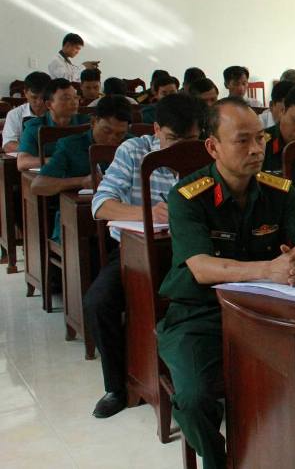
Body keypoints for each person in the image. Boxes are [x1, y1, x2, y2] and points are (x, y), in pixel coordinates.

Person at [157, 97, 295, 469]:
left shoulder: (277, 190)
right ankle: (218, 459)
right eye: (242, 140)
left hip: (267, 313)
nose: (256, 149)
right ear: (213, 147)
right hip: (200, 314)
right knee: (193, 398)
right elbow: (202, 268)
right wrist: (268, 270)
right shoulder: (188, 196)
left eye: (260, 138)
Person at [87, 93, 206, 419]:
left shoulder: (206, 152)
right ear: (156, 129)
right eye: (172, 139)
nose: (181, 149)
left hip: (194, 251)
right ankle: (117, 387)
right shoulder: (133, 150)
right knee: (98, 302)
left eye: (190, 140)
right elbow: (101, 205)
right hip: (135, 253)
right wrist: (148, 213)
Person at [30, 95, 132, 243]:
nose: (112, 138)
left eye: (120, 134)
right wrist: (81, 181)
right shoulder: (70, 145)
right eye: (106, 131)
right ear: (93, 122)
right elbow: (38, 186)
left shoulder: (132, 145)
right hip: (76, 223)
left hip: (121, 219)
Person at [17, 78, 91, 171]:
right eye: (67, 98)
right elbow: (22, 162)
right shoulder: (35, 127)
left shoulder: (87, 123)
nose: (74, 102)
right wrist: (58, 160)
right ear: (49, 104)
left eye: (76, 97)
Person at [2, 71, 50, 153]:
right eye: (34, 97)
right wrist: (37, 149)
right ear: (25, 93)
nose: (39, 102)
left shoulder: (58, 112)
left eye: (43, 97)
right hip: (26, 158)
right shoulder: (15, 114)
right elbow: (8, 145)